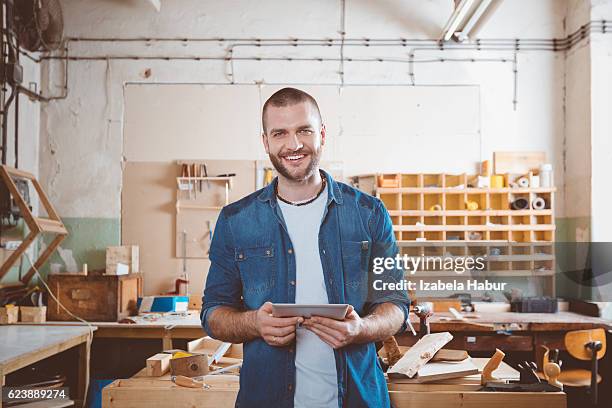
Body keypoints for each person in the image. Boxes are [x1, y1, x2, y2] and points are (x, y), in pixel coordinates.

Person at [201, 87, 409, 407]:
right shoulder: (235, 221)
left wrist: (362, 328)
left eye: (304, 130)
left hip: (356, 399)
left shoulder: (368, 214)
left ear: (322, 134)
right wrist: (254, 322)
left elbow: (395, 303)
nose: (294, 144)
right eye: (280, 133)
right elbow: (213, 313)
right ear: (266, 141)